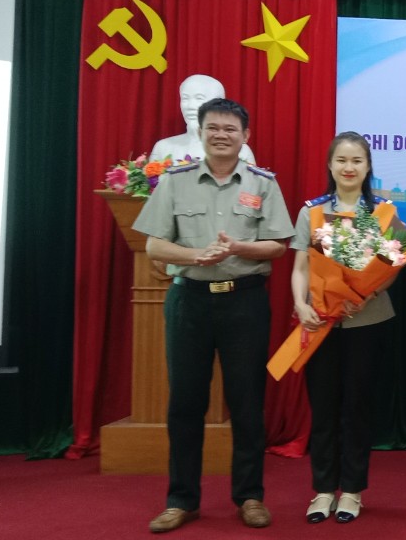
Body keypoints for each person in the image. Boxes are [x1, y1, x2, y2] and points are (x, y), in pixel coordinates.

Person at [134, 98, 294, 533]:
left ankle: (250, 496)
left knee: (247, 402)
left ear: (246, 136)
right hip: (189, 302)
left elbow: (278, 245)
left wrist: (238, 248)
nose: (222, 135)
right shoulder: (175, 181)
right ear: (201, 132)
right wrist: (195, 256)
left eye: (230, 129)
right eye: (214, 128)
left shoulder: (262, 183)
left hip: (245, 302)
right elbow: (153, 245)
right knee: (185, 403)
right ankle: (181, 500)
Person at [291, 132, 405, 524]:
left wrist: (367, 293)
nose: (349, 167)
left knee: (358, 407)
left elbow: (393, 266)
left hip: (367, 321)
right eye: (341, 160)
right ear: (330, 165)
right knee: (323, 407)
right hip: (321, 321)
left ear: (368, 166)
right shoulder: (312, 212)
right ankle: (323, 490)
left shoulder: (384, 213)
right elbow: (300, 267)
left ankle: (352, 491)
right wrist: (300, 303)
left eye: (357, 160)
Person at [151, 74, 256, 164]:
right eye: (185, 98)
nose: (190, 106)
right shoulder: (163, 147)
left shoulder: (240, 150)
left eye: (199, 98)